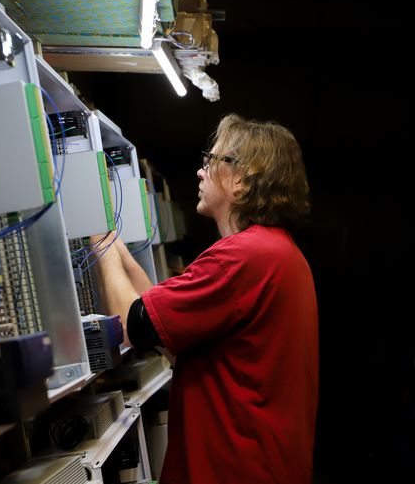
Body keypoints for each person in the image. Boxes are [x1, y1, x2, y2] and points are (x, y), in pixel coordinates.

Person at [91, 114, 318, 484]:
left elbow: (128, 324)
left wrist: (94, 236)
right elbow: (155, 319)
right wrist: (112, 240)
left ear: (242, 178)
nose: (200, 173)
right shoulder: (276, 252)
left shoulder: (241, 258)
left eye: (209, 161)